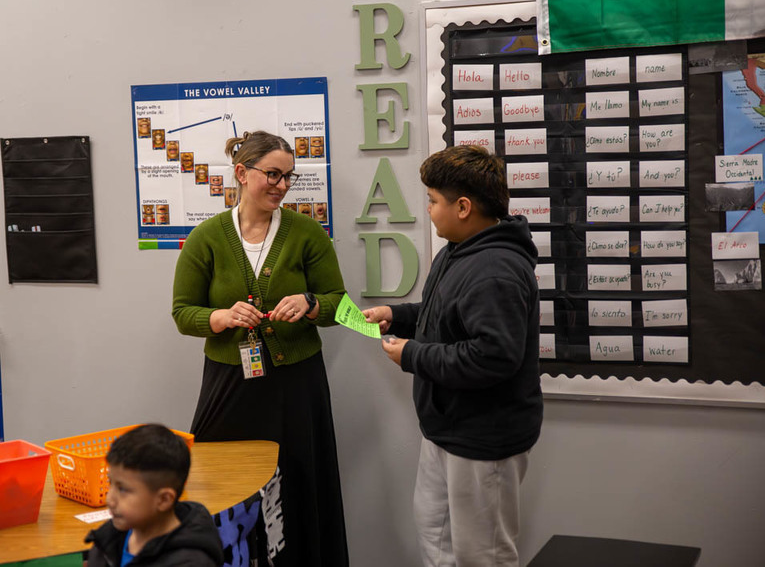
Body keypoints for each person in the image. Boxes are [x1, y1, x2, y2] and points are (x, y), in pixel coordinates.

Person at [172, 130, 349, 566]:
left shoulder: (307, 233)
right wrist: (221, 317)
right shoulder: (207, 238)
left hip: (297, 383)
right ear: (241, 173)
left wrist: (310, 304)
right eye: (272, 174)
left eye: (288, 177)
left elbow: (338, 305)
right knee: (222, 484)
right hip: (231, 381)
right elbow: (182, 313)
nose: (282, 186)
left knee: (299, 482)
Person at [364, 144, 542, 567]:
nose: (427, 209)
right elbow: (444, 316)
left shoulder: (495, 269)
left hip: (483, 440)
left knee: (484, 556)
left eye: (432, 200)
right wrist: (399, 316)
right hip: (445, 431)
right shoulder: (456, 251)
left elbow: (493, 357)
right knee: (437, 543)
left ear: (463, 206)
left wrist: (412, 356)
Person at [85, 424, 224, 566]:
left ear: (164, 500)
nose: (110, 500)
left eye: (123, 489)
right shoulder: (110, 539)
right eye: (110, 482)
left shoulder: (191, 562)